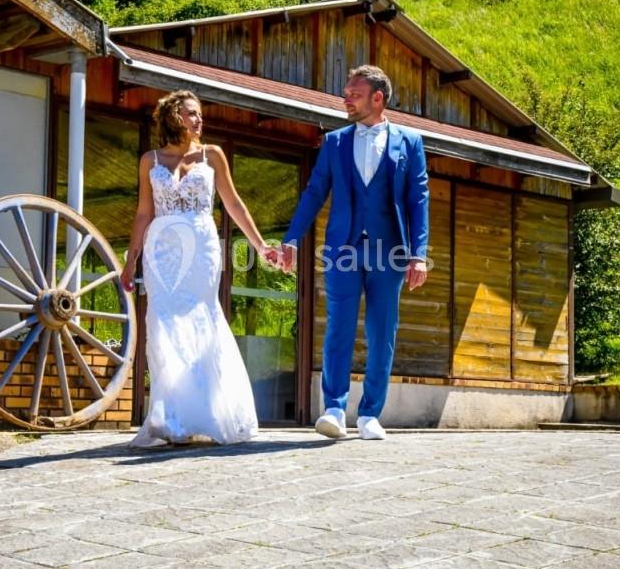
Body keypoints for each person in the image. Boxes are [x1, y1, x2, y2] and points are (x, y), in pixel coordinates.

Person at [274, 65, 430, 440]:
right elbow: (314, 193)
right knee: (338, 328)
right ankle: (334, 409)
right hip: (342, 248)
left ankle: (370, 415)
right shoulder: (334, 142)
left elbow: (418, 199)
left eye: (353, 94)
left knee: (382, 331)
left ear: (377, 98)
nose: (345, 100)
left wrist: (418, 253)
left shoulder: (410, 142)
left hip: (389, 250)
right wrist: (292, 238)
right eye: (345, 93)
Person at [121, 90, 273, 446]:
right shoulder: (149, 160)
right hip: (162, 251)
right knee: (162, 323)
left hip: (201, 247)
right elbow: (144, 213)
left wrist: (261, 245)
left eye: (200, 114)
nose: (198, 119)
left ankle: (210, 411)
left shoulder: (213, 155)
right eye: (191, 113)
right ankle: (171, 416)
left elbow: (233, 203)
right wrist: (130, 260)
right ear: (174, 116)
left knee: (201, 319)